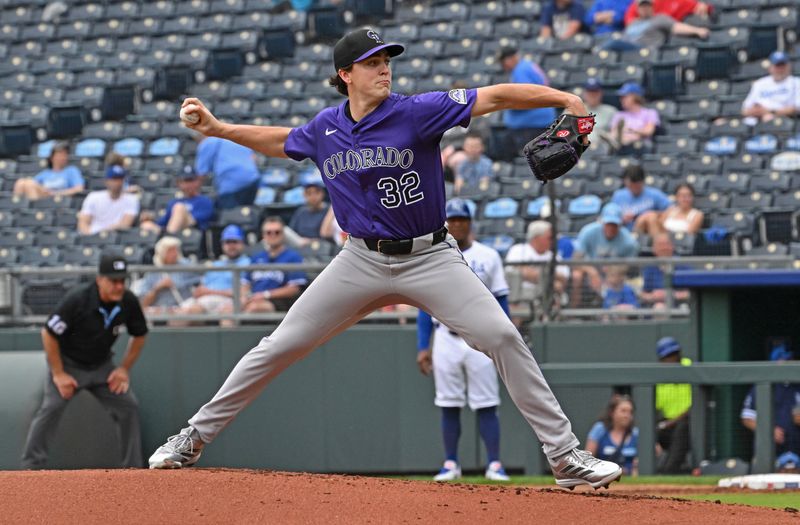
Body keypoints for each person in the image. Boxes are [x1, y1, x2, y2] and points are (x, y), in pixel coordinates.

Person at [149, 28, 622, 490]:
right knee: (279, 345)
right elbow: (281, 140)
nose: (384, 70)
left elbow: (496, 95)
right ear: (345, 74)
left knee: (502, 335)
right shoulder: (325, 128)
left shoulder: (418, 111)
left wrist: (566, 99)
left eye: (387, 61)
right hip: (359, 261)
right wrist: (218, 129)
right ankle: (194, 436)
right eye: (372, 63)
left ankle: (564, 456)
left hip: (431, 256)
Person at [20, 254, 148, 469]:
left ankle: (133, 467)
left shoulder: (128, 301)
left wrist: (124, 369)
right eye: (113, 281)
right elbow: (49, 334)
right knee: (50, 409)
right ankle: (30, 468)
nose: (119, 286)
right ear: (100, 279)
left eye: (122, 281)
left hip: (102, 366)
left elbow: (140, 334)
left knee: (128, 406)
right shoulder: (78, 299)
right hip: (69, 365)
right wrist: (59, 374)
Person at [416, 199, 511, 482]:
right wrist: (424, 346)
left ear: (470, 222)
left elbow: (501, 298)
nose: (457, 224)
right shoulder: (433, 253)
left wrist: (502, 338)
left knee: (486, 403)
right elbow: (424, 305)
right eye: (453, 219)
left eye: (462, 220)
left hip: (479, 337)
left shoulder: (488, 256)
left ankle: (494, 464)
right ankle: (450, 464)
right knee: (448, 402)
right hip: (445, 336)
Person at [173, 225, 251, 326]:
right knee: (175, 315)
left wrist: (210, 292)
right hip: (205, 300)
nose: (231, 246)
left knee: (193, 311)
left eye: (234, 242)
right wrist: (200, 292)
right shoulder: (215, 265)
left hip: (228, 300)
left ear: (242, 243)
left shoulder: (248, 263)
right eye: (227, 242)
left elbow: (242, 292)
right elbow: (200, 289)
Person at [740, 341, 800, 461]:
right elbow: (747, 418)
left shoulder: (797, 386)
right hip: (769, 449)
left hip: (796, 448)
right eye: (784, 361)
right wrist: (769, 430)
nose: (787, 363)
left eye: (789, 360)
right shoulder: (760, 387)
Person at [571, 203, 639, 306]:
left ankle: (610, 311)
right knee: (576, 275)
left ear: (620, 224)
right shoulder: (588, 232)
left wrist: (613, 271)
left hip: (615, 274)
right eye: (608, 224)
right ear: (602, 222)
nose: (611, 228)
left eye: (614, 225)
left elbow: (629, 267)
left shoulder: (629, 242)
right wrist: (591, 271)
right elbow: (575, 260)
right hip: (590, 270)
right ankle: (573, 313)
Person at [497, 47, 557, 161]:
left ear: (511, 58)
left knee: (527, 162)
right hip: (538, 123)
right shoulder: (527, 65)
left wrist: (505, 103)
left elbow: (526, 98)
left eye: (503, 61)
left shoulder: (521, 71)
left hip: (531, 126)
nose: (503, 65)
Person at [505, 220, 570, 323]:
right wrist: (549, 277)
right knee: (514, 311)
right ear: (537, 238)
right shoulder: (518, 250)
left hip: (546, 298)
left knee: (554, 302)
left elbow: (564, 278)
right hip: (521, 297)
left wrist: (531, 273)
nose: (553, 241)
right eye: (549, 238)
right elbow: (513, 272)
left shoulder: (554, 256)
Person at [244, 217, 307, 314]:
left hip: (279, 302)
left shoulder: (293, 257)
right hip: (254, 298)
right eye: (269, 232)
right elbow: (245, 284)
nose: (273, 235)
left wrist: (265, 295)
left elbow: (294, 289)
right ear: (263, 235)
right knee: (228, 309)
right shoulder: (257, 257)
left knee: (254, 308)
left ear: (283, 234)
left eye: (277, 232)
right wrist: (245, 296)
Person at [131, 236, 201, 315]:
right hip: (160, 311)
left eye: (176, 250)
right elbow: (143, 304)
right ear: (162, 253)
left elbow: (201, 280)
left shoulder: (186, 266)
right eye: (170, 251)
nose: (175, 254)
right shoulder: (153, 273)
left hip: (183, 308)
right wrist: (157, 288)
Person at [604, 0, 709, 51]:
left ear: (652, 7)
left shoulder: (660, 18)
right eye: (642, 7)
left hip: (644, 49)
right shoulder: (634, 23)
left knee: (613, 43)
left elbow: (676, 27)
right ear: (638, 9)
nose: (645, 9)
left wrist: (697, 30)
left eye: (647, 6)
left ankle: (596, 52)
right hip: (628, 50)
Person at [139, 165, 215, 235]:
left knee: (179, 207)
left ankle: (169, 237)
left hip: (192, 232)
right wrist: (150, 219)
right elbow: (163, 222)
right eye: (185, 181)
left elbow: (197, 221)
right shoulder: (173, 202)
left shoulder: (205, 201)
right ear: (179, 183)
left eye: (191, 180)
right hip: (172, 229)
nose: (188, 184)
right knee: (146, 225)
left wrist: (181, 213)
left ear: (198, 182)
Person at [654, 337, 692, 474]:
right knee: (650, 430)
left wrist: (670, 423)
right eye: (667, 356)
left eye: (674, 354)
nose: (672, 359)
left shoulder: (689, 366)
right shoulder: (659, 375)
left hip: (687, 423)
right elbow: (655, 409)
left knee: (682, 428)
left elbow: (694, 407)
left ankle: (669, 472)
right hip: (666, 425)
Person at [195, 135, 261, 209]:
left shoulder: (207, 142)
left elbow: (201, 173)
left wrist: (195, 196)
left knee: (230, 216)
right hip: (253, 179)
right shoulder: (234, 138)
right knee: (246, 214)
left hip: (232, 183)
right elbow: (254, 158)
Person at [77, 164, 140, 235]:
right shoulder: (93, 197)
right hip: (93, 235)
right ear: (106, 181)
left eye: (120, 179)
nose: (117, 183)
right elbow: (83, 222)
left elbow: (125, 224)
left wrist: (106, 232)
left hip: (116, 237)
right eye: (114, 179)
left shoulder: (131, 199)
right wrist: (89, 236)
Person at [742, 51, 800, 126]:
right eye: (777, 66)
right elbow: (745, 110)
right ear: (770, 68)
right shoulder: (759, 83)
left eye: (782, 65)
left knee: (769, 118)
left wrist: (770, 111)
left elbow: (796, 109)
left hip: (785, 122)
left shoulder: (796, 82)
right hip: (756, 121)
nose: (780, 69)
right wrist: (757, 112)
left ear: (789, 66)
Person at [586, 395, 639, 476]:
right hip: (603, 478)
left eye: (630, 412)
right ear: (612, 412)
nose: (627, 415)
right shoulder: (600, 429)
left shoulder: (635, 433)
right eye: (623, 411)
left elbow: (636, 466)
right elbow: (587, 461)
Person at [13, 141, 85, 200]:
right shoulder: (45, 173)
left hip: (59, 199)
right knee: (21, 183)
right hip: (44, 196)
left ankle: (34, 209)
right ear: (52, 157)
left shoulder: (71, 170)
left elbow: (79, 189)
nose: (63, 157)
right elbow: (34, 185)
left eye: (65, 155)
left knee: (29, 183)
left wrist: (57, 193)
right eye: (59, 155)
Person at [611, 165, 671, 232]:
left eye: (636, 185)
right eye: (631, 185)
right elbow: (610, 217)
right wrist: (622, 219)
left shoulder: (654, 194)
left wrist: (652, 214)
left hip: (646, 234)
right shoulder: (618, 196)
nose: (633, 188)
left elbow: (672, 210)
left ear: (642, 182)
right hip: (623, 232)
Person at [639, 233, 691, 309]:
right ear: (654, 249)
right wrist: (653, 296)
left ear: (672, 246)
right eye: (660, 245)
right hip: (656, 306)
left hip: (680, 305)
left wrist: (671, 295)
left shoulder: (683, 265)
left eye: (666, 244)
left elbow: (691, 293)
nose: (663, 248)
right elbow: (643, 294)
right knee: (659, 307)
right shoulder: (649, 268)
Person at [608, 83, 661, 155]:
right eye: (621, 97)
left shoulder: (650, 113)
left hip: (642, 149)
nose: (621, 100)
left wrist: (631, 131)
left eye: (625, 97)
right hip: (622, 149)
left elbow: (649, 131)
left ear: (635, 97)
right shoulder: (619, 115)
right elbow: (613, 133)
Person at [287, 180, 330, 247]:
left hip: (322, 245)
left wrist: (310, 241)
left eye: (316, 192)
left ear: (322, 193)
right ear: (304, 195)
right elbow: (292, 232)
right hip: (300, 244)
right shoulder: (301, 211)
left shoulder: (329, 210)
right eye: (309, 193)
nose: (313, 196)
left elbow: (329, 235)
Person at [580, 79, 618, 147]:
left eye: (595, 92)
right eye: (590, 92)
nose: (592, 95)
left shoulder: (611, 111)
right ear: (584, 94)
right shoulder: (574, 109)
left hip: (604, 149)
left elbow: (617, 132)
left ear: (601, 93)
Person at [623, 0, 712, 26]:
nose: (645, 8)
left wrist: (702, 6)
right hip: (643, 36)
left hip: (668, 34)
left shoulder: (675, 1)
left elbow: (702, 7)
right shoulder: (637, 4)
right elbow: (629, 22)